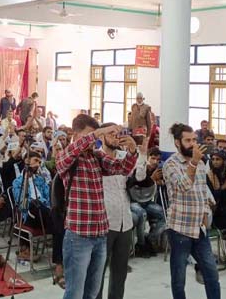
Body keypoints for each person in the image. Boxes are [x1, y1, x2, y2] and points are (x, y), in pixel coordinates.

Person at [56, 116, 136, 299]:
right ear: (75, 135)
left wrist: (132, 150)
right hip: (78, 236)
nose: (93, 140)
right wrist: (98, 133)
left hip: (100, 234)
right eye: (88, 135)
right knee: (74, 292)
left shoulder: (97, 157)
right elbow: (71, 152)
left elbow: (122, 168)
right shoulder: (66, 157)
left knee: (92, 292)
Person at [162, 123, 220, 299]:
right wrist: (194, 162)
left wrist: (206, 210)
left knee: (211, 273)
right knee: (179, 278)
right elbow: (184, 186)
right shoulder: (171, 164)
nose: (193, 144)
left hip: (199, 228)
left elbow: (203, 191)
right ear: (177, 143)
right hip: (179, 228)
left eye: (195, 139)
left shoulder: (201, 163)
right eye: (188, 140)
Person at [95, 124, 143, 299]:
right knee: (98, 272)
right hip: (105, 220)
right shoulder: (96, 157)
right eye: (111, 134)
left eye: (117, 133)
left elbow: (139, 177)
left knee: (120, 271)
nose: (116, 137)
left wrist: (137, 150)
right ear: (101, 137)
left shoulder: (125, 156)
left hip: (125, 220)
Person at [11, 151, 53, 261]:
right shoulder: (17, 182)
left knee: (45, 206)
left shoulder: (41, 180)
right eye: (35, 161)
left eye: (39, 162)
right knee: (34, 204)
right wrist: (26, 180)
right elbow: (21, 205)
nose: (38, 164)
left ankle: (25, 250)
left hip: (44, 214)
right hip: (28, 215)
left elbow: (49, 199)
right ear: (27, 162)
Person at [128, 146, 166, 257]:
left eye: (158, 160)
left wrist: (161, 182)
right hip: (133, 201)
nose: (155, 162)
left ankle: (150, 239)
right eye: (153, 158)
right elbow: (136, 191)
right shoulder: (139, 170)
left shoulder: (158, 171)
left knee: (164, 215)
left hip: (147, 202)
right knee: (142, 214)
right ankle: (141, 244)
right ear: (147, 158)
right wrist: (152, 180)